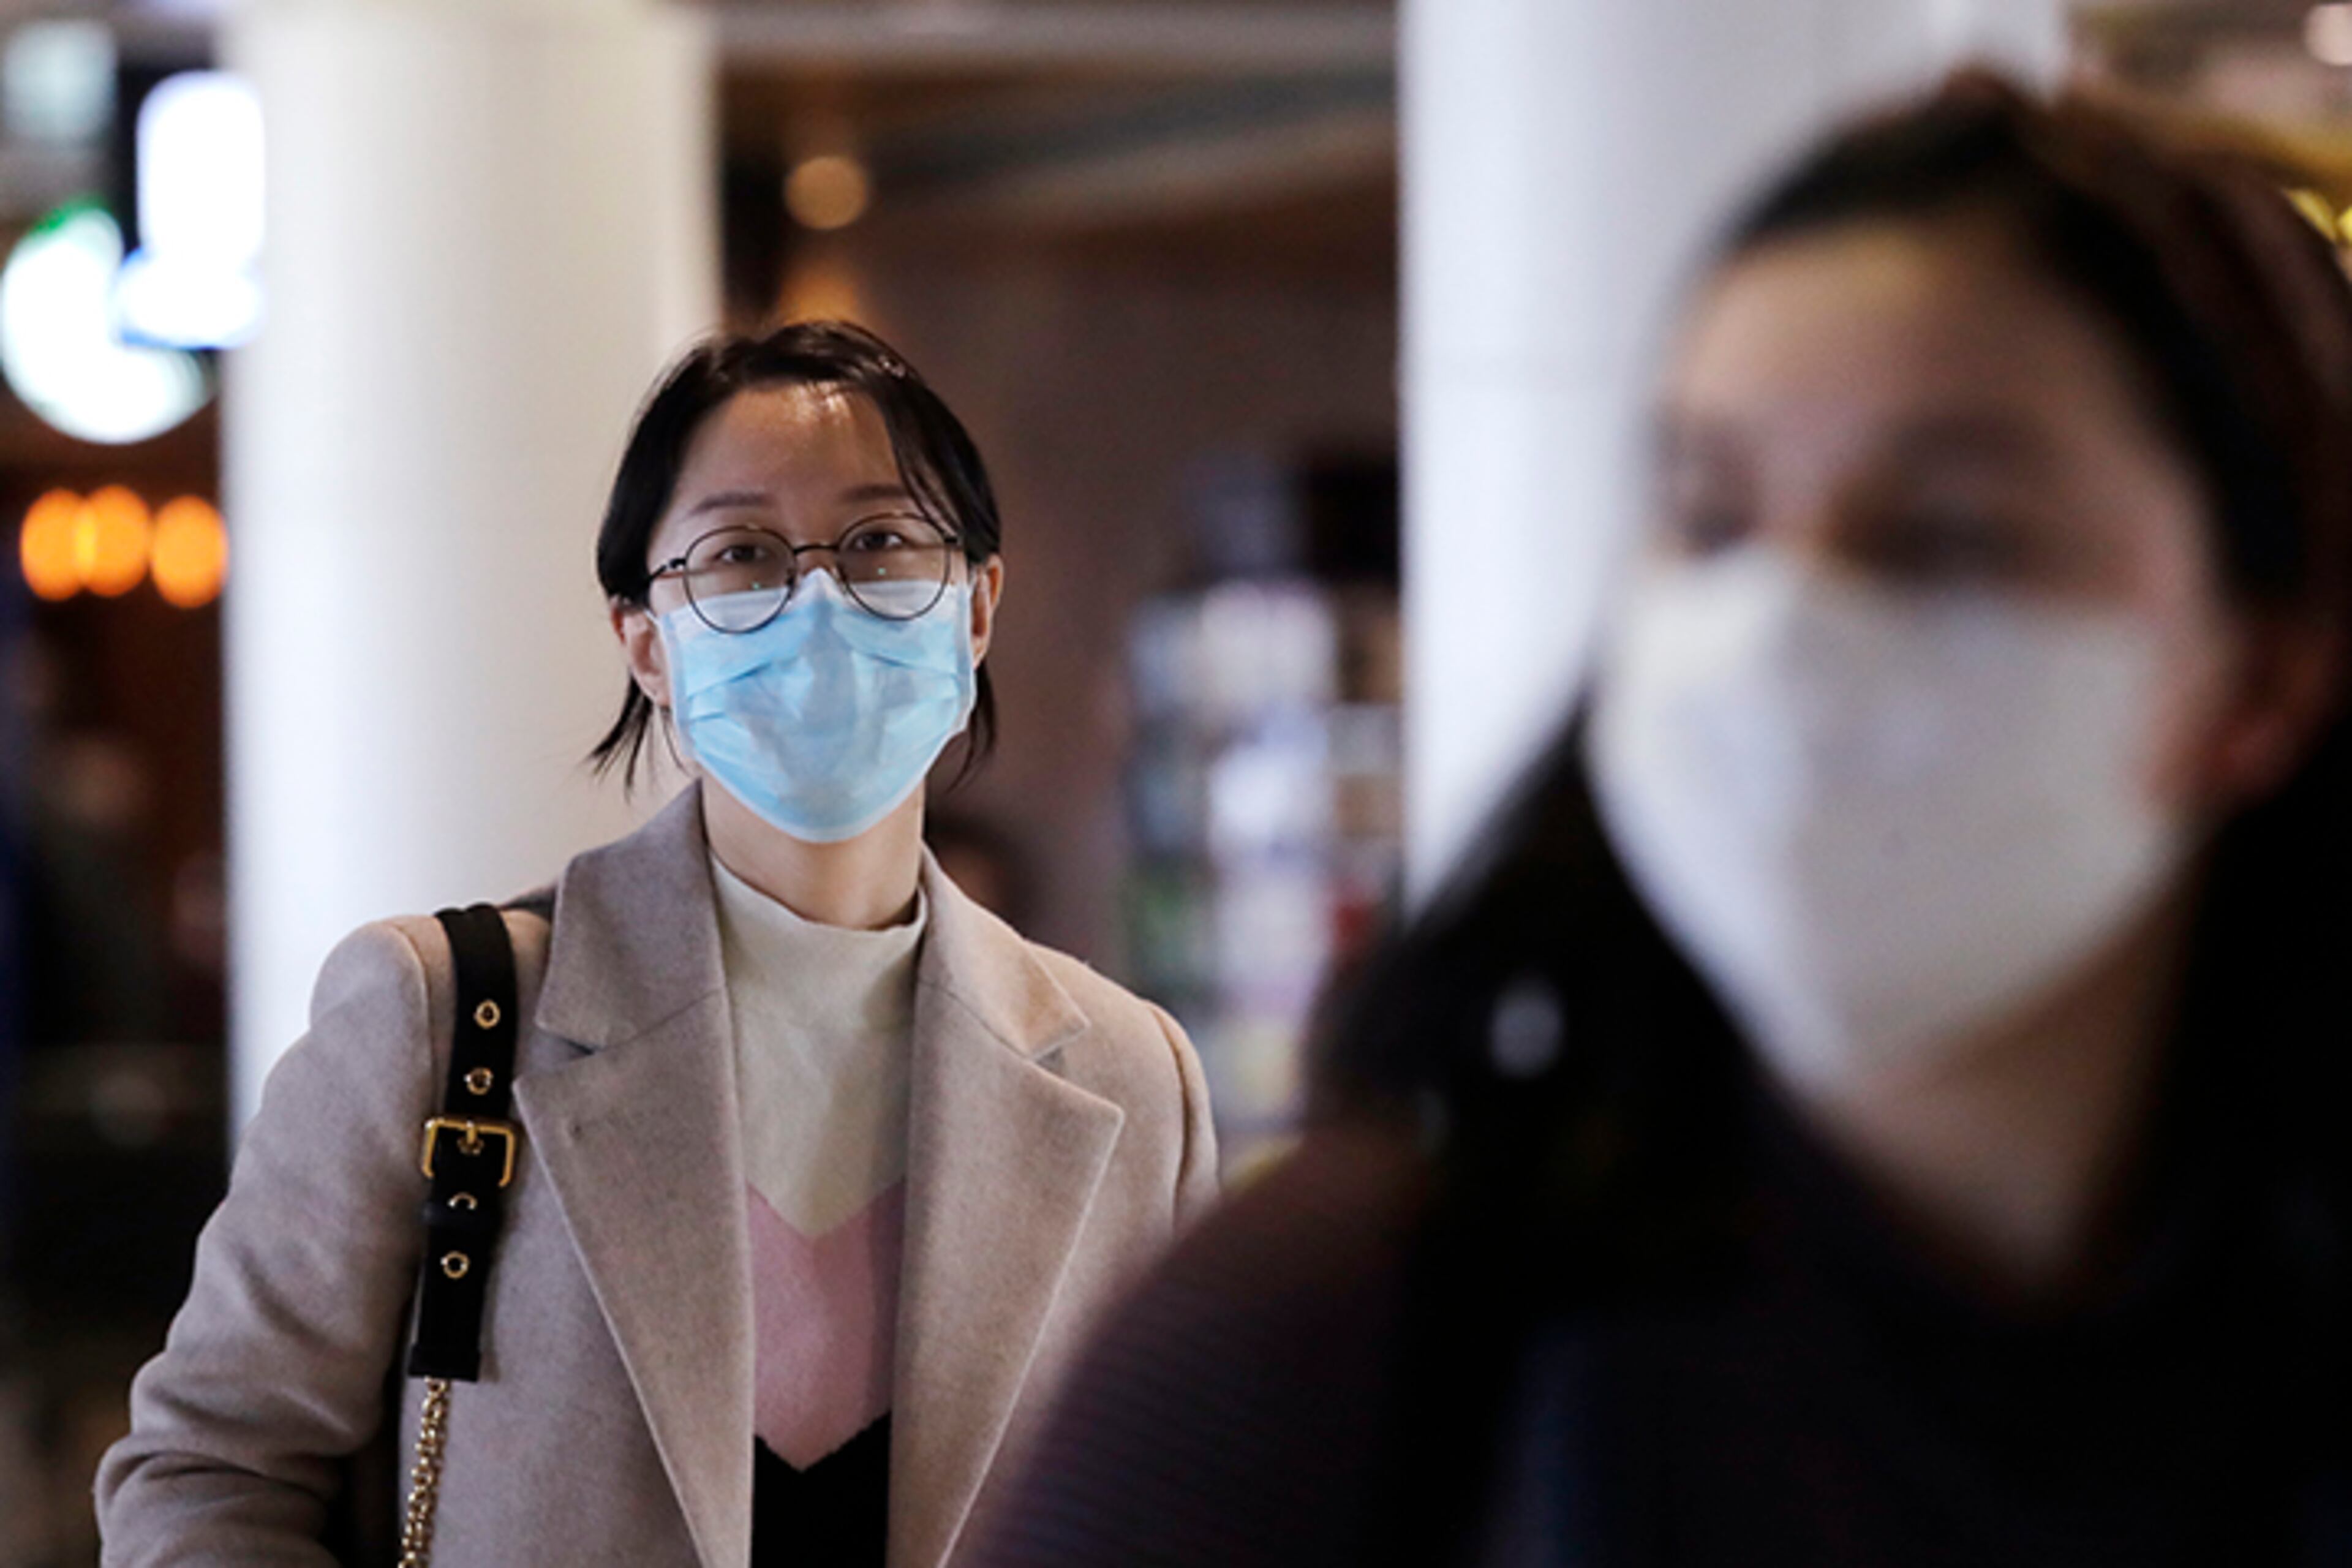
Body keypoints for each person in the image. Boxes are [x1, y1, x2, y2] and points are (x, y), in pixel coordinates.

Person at [973, 74, 2352, 1568]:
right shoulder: (1342, 1349)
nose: (1784, 631)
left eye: (1948, 533)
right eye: (1711, 519)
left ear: (2265, 666)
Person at [97, 321, 1218, 1567]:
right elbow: (210, 1468)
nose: (818, 601)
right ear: (646, 640)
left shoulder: (1130, 1078)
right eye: (741, 553)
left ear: (977, 605)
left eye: (881, 541)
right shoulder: (440, 1018)